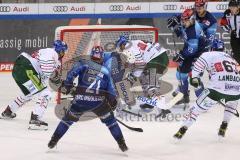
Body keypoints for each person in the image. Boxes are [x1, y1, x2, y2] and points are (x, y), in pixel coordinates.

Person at [48, 46, 128, 152]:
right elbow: (111, 93)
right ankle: (122, 144)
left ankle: (53, 141)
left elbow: (71, 74)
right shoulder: (106, 71)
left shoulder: (83, 63)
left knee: (67, 121)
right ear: (102, 57)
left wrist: (67, 86)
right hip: (98, 103)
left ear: (91, 55)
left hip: (80, 100)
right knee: (111, 122)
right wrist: (112, 104)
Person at [173, 39, 240, 140]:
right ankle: (223, 128)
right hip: (236, 91)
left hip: (215, 90)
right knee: (230, 107)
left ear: (211, 48)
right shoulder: (232, 59)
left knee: (195, 109)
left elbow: (195, 74)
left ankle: (181, 131)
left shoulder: (207, 55)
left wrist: (195, 81)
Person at [1, 40, 68, 130]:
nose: (64, 54)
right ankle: (35, 120)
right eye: (64, 51)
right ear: (61, 51)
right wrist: (58, 81)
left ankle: (8, 112)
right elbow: (47, 70)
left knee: (29, 93)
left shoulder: (47, 52)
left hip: (19, 68)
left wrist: (57, 80)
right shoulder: (52, 53)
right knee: (46, 93)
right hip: (28, 69)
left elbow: (48, 73)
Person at [113, 35, 169, 111]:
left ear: (122, 44)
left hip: (156, 59)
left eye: (120, 46)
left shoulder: (128, 47)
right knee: (143, 77)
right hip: (159, 57)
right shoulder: (132, 44)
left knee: (151, 83)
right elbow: (140, 62)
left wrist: (132, 77)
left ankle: (162, 105)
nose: (120, 49)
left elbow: (140, 65)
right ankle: (150, 101)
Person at [167, 9, 209, 106]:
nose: (183, 22)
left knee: (194, 77)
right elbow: (180, 17)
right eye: (182, 20)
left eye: (185, 20)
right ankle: (184, 96)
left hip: (199, 54)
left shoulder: (193, 32)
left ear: (192, 19)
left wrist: (181, 56)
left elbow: (192, 49)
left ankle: (202, 100)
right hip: (189, 49)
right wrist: (173, 19)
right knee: (180, 74)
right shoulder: (188, 22)